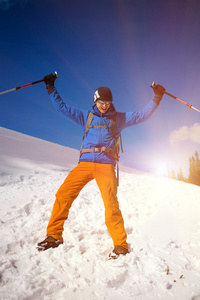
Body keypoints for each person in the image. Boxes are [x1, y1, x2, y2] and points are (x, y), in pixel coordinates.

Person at [37, 73, 165, 258]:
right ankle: (53, 236)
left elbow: (142, 115)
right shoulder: (85, 116)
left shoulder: (119, 118)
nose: (104, 106)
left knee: (111, 204)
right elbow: (62, 108)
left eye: (107, 102)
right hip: (85, 164)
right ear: (95, 101)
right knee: (63, 195)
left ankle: (120, 245)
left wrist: (157, 97)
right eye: (101, 102)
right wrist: (50, 87)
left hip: (106, 166)